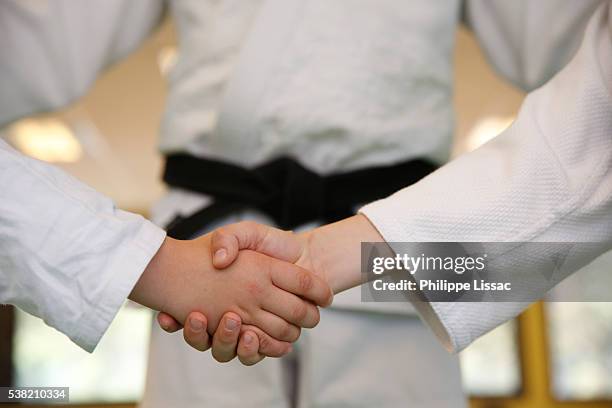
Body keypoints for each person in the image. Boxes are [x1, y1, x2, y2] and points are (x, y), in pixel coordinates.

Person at [174, 0, 612, 358]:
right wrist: (143, 263)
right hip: (207, 249)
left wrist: (358, 250)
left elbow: (587, 94)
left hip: (405, 249)